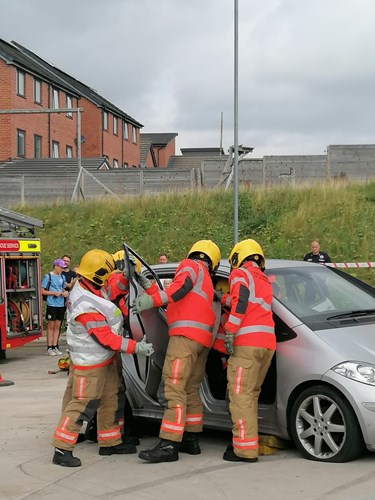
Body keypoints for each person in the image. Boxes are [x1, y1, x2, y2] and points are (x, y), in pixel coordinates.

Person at [52, 249, 154, 467]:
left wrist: (127, 278)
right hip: (90, 363)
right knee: (82, 403)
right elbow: (105, 338)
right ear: (97, 274)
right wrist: (136, 347)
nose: (109, 278)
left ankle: (110, 442)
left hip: (104, 359)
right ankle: (62, 448)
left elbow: (111, 290)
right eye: (106, 274)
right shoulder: (85, 304)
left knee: (112, 398)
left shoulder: (92, 285)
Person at [132, 239, 221, 463]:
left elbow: (179, 289)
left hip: (184, 338)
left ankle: (169, 444)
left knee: (173, 388)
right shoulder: (207, 280)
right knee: (190, 390)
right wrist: (151, 289)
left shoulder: (191, 266)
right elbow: (174, 300)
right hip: (201, 342)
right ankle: (191, 439)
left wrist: (150, 300)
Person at [221, 239, 276, 463]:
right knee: (251, 395)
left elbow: (241, 301)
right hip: (267, 345)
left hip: (247, 345)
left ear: (237, 258)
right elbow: (249, 302)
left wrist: (230, 331)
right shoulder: (264, 279)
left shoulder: (240, 274)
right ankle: (248, 441)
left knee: (240, 396)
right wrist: (222, 298)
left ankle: (243, 450)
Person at [41, 259, 69, 356]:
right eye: (61, 267)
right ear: (56, 266)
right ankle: (49, 347)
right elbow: (42, 291)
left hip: (61, 304)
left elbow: (64, 288)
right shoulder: (48, 276)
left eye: (63, 268)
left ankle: (55, 346)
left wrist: (65, 293)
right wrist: (53, 293)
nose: (62, 269)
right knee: (51, 326)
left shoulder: (62, 277)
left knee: (58, 326)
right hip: (52, 304)